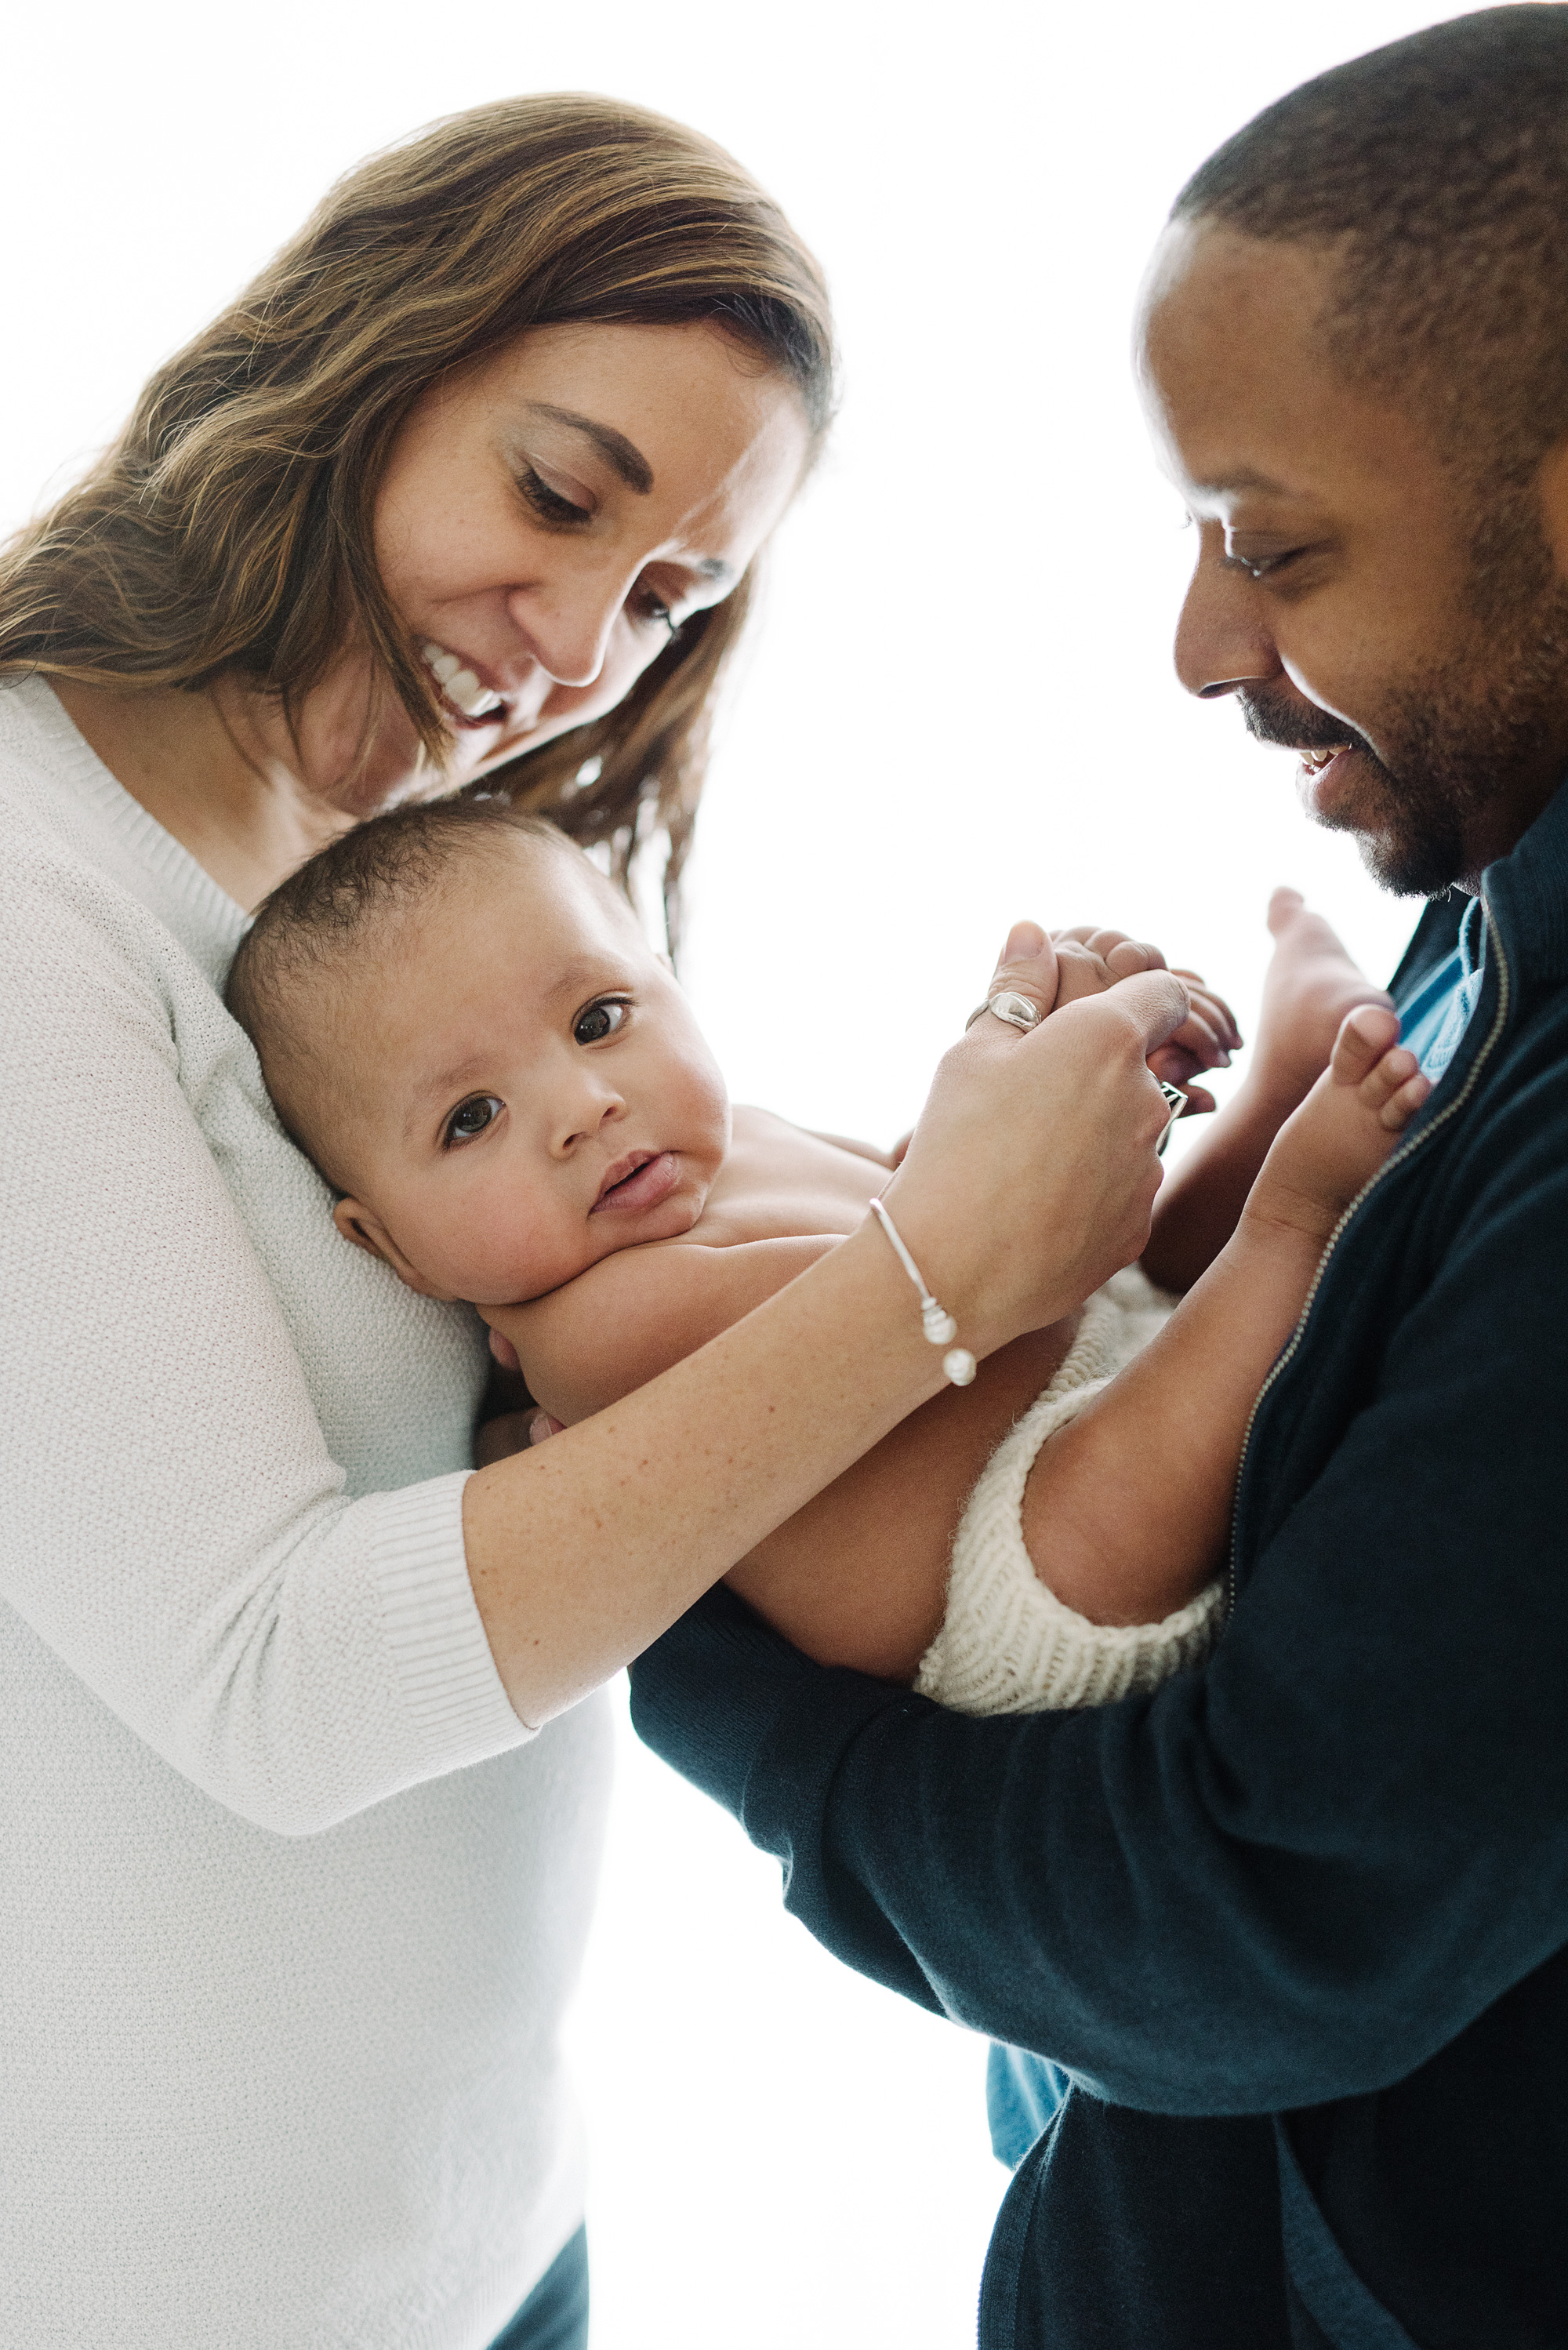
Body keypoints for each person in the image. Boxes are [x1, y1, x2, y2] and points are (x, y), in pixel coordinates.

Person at [0, 95, 1192, 2350]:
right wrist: (948, 1279)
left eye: (669, 597)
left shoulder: (432, 888)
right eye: (560, 494)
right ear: (362, 355)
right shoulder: (27, 878)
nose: (574, 640)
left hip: (493, 2228)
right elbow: (269, 1678)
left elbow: (679, 1328)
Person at [628, 13, 1568, 2348]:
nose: (1200, 644)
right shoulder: (1510, 881)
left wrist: (707, 1658)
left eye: (1276, 543)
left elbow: (1266, 1913)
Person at [226, 797, 1428, 1702]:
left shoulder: (728, 1139)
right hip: (1019, 1570)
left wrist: (1066, 1070)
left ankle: (1276, 1080)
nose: (582, 1105)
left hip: (1086, 1348)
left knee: (1153, 1272)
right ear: (394, 1249)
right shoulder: (586, 1333)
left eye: (599, 1019)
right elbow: (932, 1264)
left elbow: (927, 1188)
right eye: (470, 1118)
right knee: (1105, 1504)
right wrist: (1007, 1102)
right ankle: (1299, 1215)